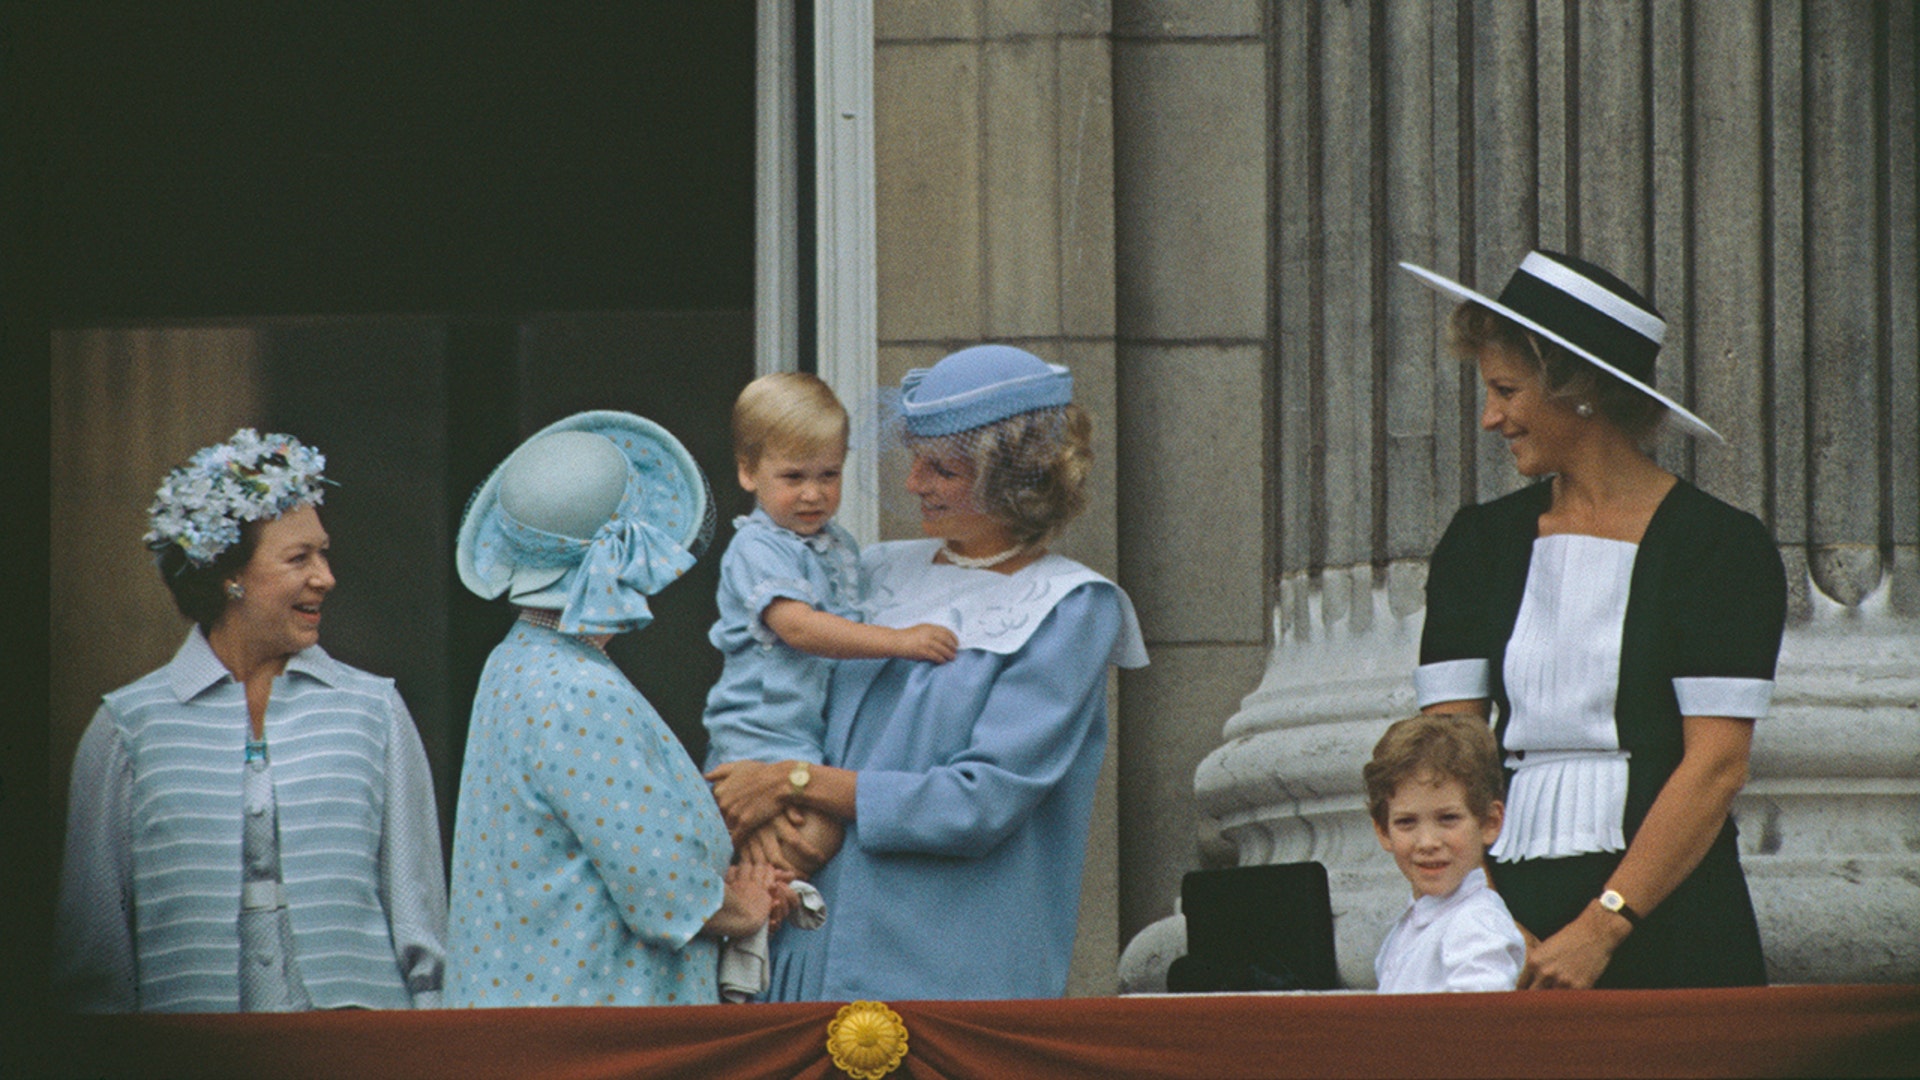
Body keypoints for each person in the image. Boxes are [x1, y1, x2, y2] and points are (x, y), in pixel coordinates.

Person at [707, 345, 1149, 1001]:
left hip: (944, 972)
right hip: (803, 951)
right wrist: (769, 805)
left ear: (1012, 479)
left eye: (940, 468)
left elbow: (976, 802)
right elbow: (788, 696)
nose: (913, 483)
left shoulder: (1071, 608)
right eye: (915, 459)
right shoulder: (877, 568)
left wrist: (794, 781)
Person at [1401, 251, 1787, 989]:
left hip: (1672, 916)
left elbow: (1715, 766)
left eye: (1506, 390)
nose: (1490, 418)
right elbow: (1444, 758)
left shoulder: (1719, 548)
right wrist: (1481, 916)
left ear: (1578, 389)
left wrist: (1601, 928)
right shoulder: (1477, 546)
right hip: (1500, 920)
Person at [54, 429, 446, 1012]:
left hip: (360, 1050)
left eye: (323, 552)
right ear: (228, 574)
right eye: (299, 558)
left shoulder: (374, 711)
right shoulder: (127, 728)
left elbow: (422, 923)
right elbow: (95, 959)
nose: (326, 577)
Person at [445, 410, 791, 1008]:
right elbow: (665, 892)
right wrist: (747, 902)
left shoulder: (514, 662)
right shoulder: (576, 689)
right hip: (591, 1032)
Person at [701, 372, 957, 871]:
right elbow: (798, 627)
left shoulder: (839, 546)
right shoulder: (757, 546)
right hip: (758, 735)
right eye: (793, 477)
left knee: (812, 841)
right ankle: (751, 906)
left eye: (829, 475)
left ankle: (759, 900)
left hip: (805, 738)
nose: (813, 494)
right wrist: (899, 642)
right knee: (813, 838)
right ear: (749, 473)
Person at [1364, 713, 1525, 993]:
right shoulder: (1409, 927)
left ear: (1489, 823)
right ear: (1383, 831)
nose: (1427, 842)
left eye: (1448, 818)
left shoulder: (1475, 922)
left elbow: (1477, 1022)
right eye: (1406, 822)